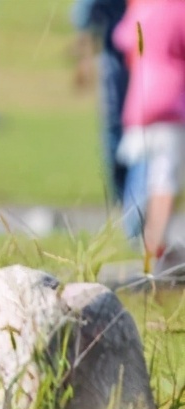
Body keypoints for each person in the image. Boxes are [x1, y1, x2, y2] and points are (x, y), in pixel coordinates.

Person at [114, 0, 185, 270]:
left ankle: (143, 239)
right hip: (173, 98)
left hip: (141, 97)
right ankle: (155, 246)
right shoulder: (179, 9)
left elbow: (124, 42)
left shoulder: (141, 7)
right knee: (166, 180)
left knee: (146, 173)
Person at [72, 0, 131, 207]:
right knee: (115, 127)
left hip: (151, 53)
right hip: (116, 54)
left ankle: (136, 201)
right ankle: (123, 198)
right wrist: (84, 57)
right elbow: (85, 10)